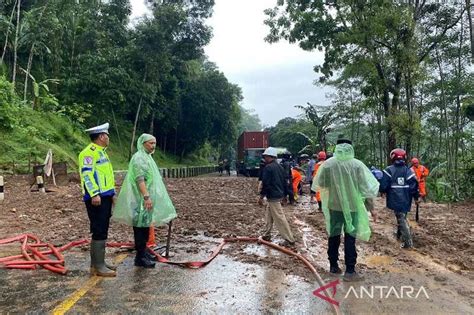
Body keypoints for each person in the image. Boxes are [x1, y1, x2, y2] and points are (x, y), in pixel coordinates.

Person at [312, 139, 379, 281]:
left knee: (334, 234)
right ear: (351, 148)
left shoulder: (328, 164)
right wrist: (372, 209)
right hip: (353, 207)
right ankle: (350, 270)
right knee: (350, 236)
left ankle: (333, 266)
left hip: (334, 206)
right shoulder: (357, 165)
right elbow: (366, 189)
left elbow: (321, 183)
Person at [113, 134, 177, 268]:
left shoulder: (147, 157)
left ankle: (143, 252)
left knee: (146, 226)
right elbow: (139, 179)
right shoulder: (139, 158)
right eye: (150, 143)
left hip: (145, 199)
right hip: (140, 200)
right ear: (143, 143)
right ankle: (140, 257)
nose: (153, 146)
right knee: (140, 228)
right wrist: (146, 196)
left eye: (154, 143)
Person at [78, 123, 116, 277]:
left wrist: (112, 193)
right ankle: (98, 266)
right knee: (99, 229)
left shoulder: (102, 153)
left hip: (105, 196)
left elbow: (105, 176)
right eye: (106, 135)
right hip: (96, 198)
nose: (108, 138)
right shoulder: (88, 153)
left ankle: (98, 262)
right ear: (101, 136)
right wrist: (94, 194)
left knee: (103, 227)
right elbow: (86, 174)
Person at [379, 149, 419, 249]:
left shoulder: (389, 170)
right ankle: (399, 234)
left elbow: (384, 184)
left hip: (395, 198)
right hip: (406, 198)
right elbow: (414, 185)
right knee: (402, 216)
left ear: (392, 157)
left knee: (401, 218)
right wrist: (416, 197)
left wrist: (382, 191)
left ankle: (408, 243)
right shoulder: (408, 170)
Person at [258, 147, 296, 246]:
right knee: (269, 215)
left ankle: (289, 239)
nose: (264, 158)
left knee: (279, 218)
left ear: (268, 156)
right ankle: (266, 234)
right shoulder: (280, 167)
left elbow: (266, 183)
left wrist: (261, 196)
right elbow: (285, 182)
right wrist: (285, 195)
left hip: (272, 196)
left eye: (265, 156)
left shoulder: (268, 168)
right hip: (278, 194)